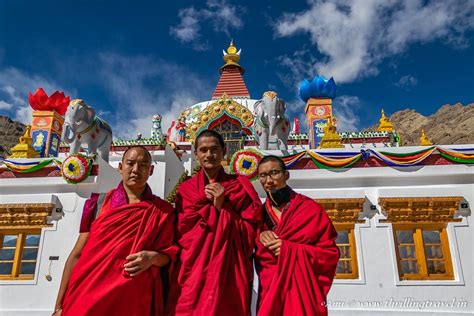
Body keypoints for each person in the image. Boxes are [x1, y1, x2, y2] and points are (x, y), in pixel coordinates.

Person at [53, 146, 177, 316]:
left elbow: (169, 257)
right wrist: (58, 305)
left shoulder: (163, 212)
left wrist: (153, 258)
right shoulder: (97, 204)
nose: (135, 170)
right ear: (120, 167)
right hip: (88, 294)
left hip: (133, 300)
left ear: (151, 170)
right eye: (130, 163)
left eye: (143, 165)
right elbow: (77, 254)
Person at [167, 130, 262, 316]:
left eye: (214, 149)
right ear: (196, 154)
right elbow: (180, 230)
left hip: (230, 267)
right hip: (193, 266)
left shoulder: (239, 186)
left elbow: (251, 232)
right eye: (203, 150)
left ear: (224, 151)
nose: (209, 155)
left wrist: (221, 209)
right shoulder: (186, 189)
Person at [255, 155, 340, 316]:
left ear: (286, 175)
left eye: (274, 173)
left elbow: (330, 254)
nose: (269, 180)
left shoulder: (309, 209)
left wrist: (289, 250)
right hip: (270, 290)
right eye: (263, 175)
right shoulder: (258, 216)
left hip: (302, 291)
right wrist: (258, 235)